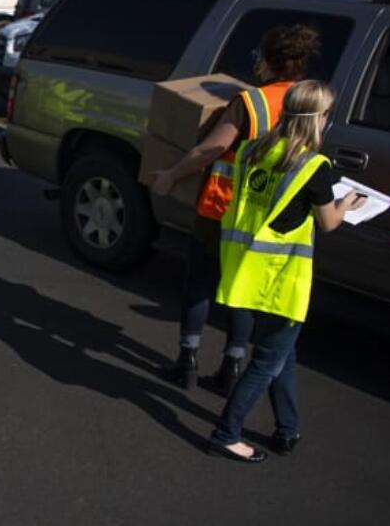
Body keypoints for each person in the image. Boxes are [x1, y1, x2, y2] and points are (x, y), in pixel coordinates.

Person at [151, 25, 321, 395]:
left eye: (260, 57)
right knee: (241, 291)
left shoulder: (251, 103)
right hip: (271, 216)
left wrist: (171, 175)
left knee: (200, 281)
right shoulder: (310, 102)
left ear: (270, 60)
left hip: (225, 208)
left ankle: (188, 362)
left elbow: (209, 150)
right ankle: (232, 365)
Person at [207, 81, 364, 463]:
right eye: (327, 114)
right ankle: (226, 434)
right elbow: (327, 223)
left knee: (281, 355)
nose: (329, 120)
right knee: (266, 363)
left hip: (246, 269)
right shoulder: (313, 166)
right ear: (318, 119)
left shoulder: (251, 149)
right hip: (281, 280)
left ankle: (287, 429)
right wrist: (347, 203)